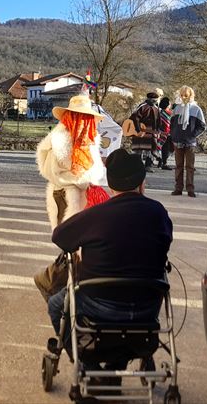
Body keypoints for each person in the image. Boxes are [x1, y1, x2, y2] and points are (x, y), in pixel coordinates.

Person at [47, 148, 173, 373]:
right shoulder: (159, 213)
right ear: (142, 183)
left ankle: (90, 365)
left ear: (111, 186)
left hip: (100, 305)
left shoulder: (96, 215)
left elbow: (59, 236)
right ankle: (118, 362)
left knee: (56, 304)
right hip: (147, 306)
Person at [36, 93, 106, 229]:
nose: (83, 122)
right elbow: (51, 172)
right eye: (78, 116)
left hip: (86, 200)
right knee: (68, 237)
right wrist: (83, 182)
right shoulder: (57, 142)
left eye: (86, 118)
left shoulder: (89, 141)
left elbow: (96, 171)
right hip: (65, 197)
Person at [170, 86, 206, 197]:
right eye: (182, 95)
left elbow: (202, 126)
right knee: (178, 166)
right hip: (178, 141)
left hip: (190, 142)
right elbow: (172, 124)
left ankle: (190, 189)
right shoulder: (176, 109)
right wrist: (174, 135)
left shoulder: (196, 109)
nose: (184, 97)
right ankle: (178, 188)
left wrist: (193, 135)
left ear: (191, 95)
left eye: (186, 95)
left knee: (190, 166)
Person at [129, 92, 161, 170]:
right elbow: (135, 118)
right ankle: (137, 166)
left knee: (149, 150)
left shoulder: (156, 108)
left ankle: (148, 166)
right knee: (139, 149)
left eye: (155, 100)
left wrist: (157, 131)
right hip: (140, 130)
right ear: (149, 99)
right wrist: (138, 130)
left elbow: (158, 121)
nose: (155, 102)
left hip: (151, 132)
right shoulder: (141, 107)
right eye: (153, 100)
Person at [157, 96, 173, 170]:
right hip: (165, 133)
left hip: (163, 132)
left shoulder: (160, 112)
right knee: (166, 148)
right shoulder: (167, 113)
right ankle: (164, 163)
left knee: (164, 148)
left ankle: (161, 161)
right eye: (169, 103)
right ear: (167, 104)